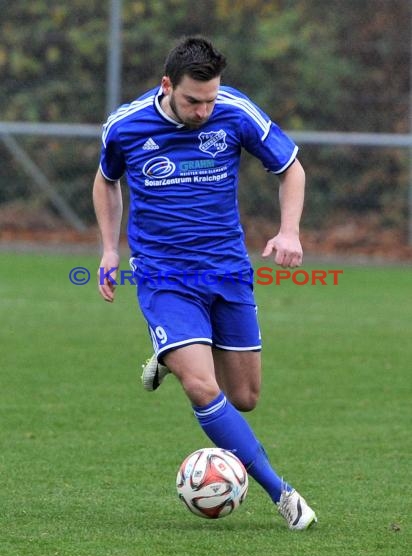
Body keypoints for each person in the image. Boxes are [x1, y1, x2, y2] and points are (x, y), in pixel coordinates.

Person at [93, 36, 317, 530]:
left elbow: (290, 168)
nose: (203, 110)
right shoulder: (126, 126)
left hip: (227, 270)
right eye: (194, 100)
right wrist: (110, 249)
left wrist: (289, 230)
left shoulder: (234, 111)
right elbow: (106, 178)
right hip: (164, 275)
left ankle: (172, 353)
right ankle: (282, 494)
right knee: (202, 386)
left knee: (244, 397)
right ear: (167, 85)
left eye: (210, 99)